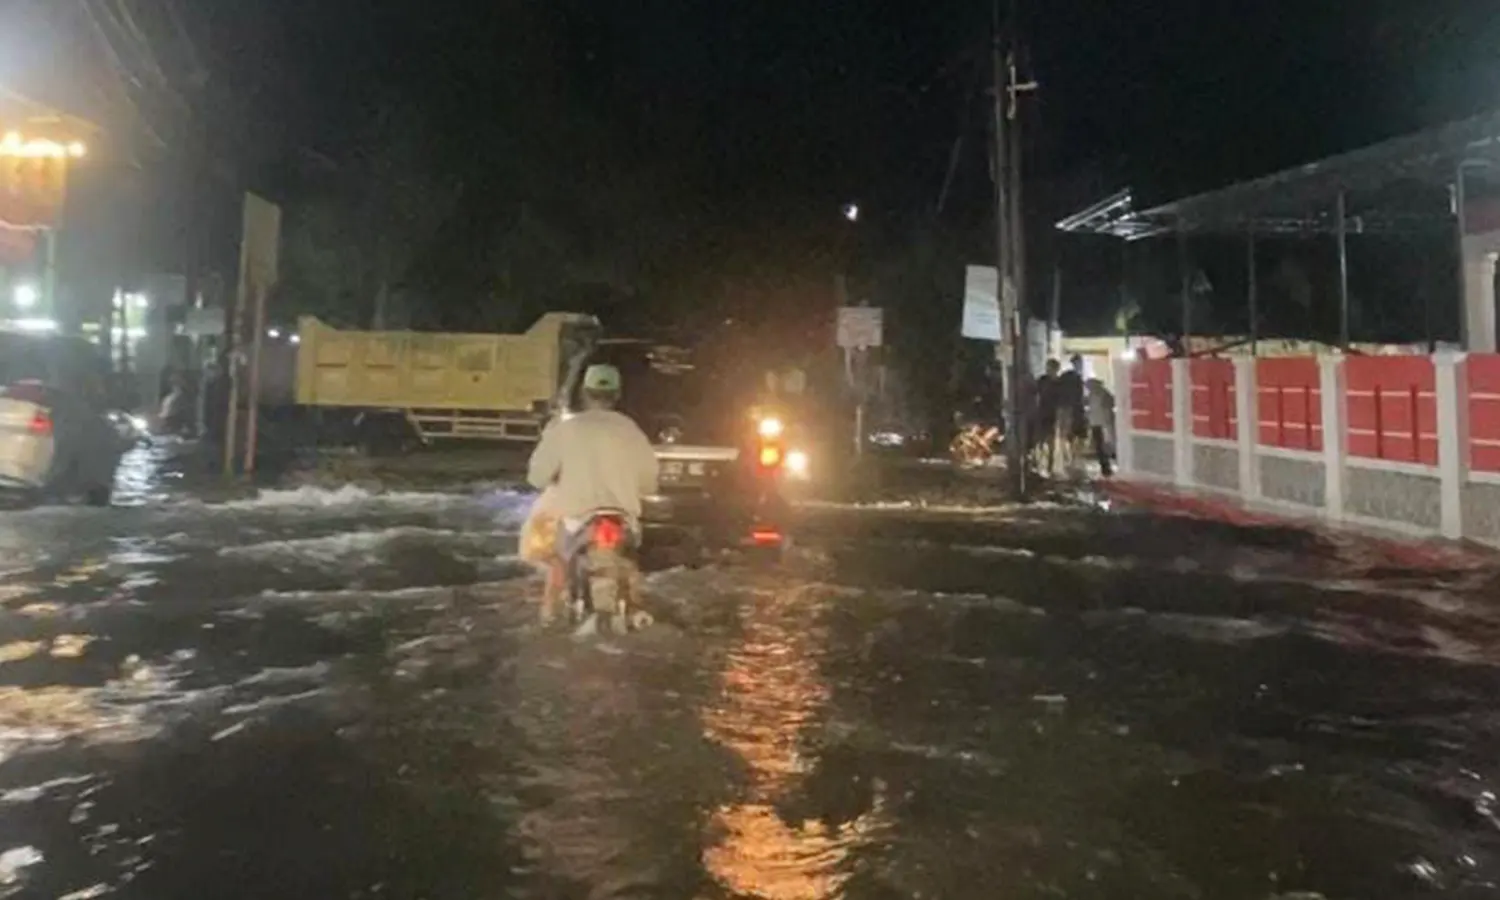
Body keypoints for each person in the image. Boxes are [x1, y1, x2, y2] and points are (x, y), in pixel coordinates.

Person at [526, 363, 660, 625]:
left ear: (584, 393)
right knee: (630, 565)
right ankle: (635, 610)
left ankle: (549, 618)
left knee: (557, 563)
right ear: (617, 394)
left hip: (577, 521)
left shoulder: (565, 429)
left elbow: (537, 477)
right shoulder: (631, 430)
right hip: (622, 520)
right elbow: (649, 484)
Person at [1085, 377, 1116, 477]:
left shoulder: (1103, 394)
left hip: (1102, 423)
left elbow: (1110, 405)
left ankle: (1106, 467)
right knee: (1099, 446)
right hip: (1096, 423)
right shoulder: (1092, 395)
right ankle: (1105, 467)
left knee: (1103, 446)